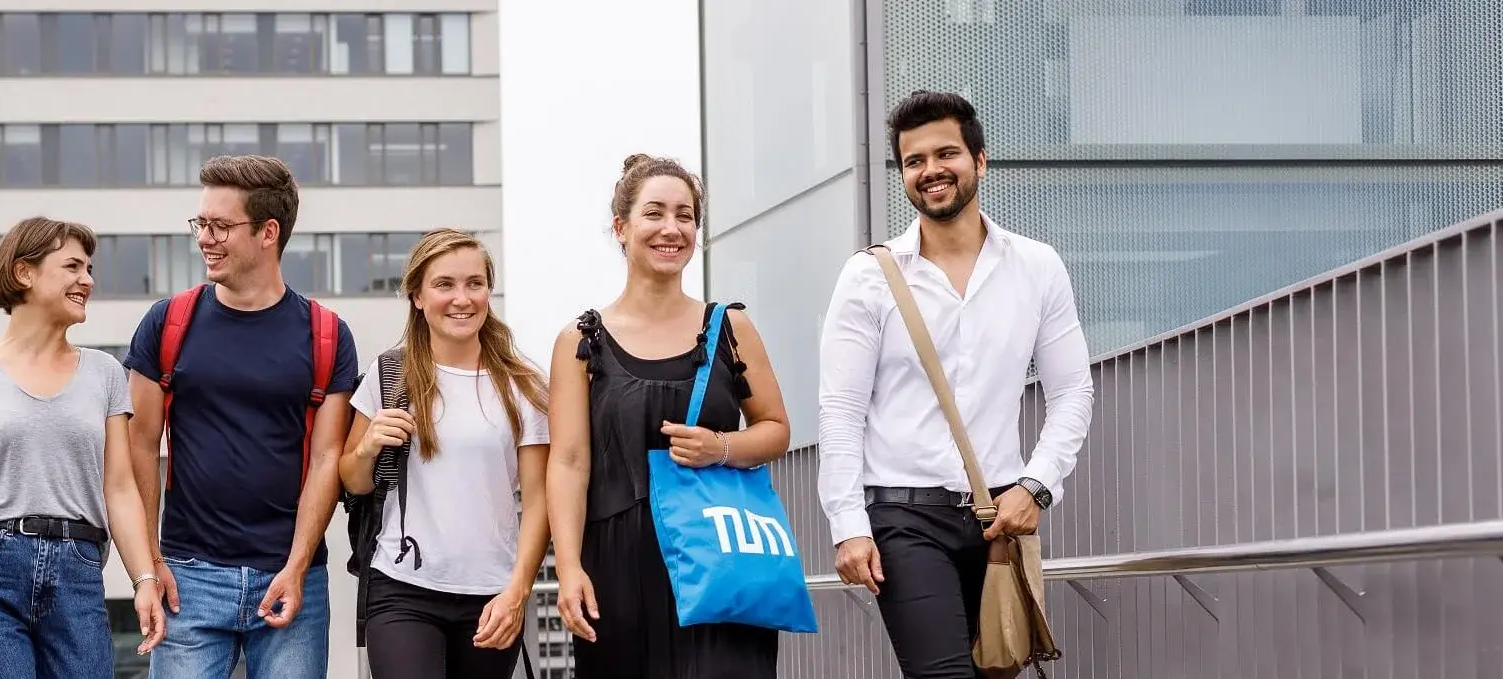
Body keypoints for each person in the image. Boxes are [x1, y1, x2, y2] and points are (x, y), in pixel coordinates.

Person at [818, 90, 1094, 679]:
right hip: (902, 515)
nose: (931, 171)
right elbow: (841, 410)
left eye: (946, 154)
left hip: (1000, 516)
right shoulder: (868, 276)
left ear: (980, 160)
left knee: (999, 670)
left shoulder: (1036, 266)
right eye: (914, 161)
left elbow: (1072, 392)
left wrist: (1037, 486)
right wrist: (848, 526)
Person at [544, 153, 793, 678]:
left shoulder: (731, 328)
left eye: (685, 216)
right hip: (617, 561)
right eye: (654, 213)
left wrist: (720, 448)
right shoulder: (580, 342)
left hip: (720, 556)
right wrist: (568, 569)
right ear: (621, 227)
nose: (671, 229)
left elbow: (775, 430)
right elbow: (567, 463)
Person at [122, 155, 360, 679]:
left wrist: (297, 568)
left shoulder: (326, 334)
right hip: (187, 579)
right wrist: (150, 564)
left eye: (220, 226)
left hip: (291, 579)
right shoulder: (168, 322)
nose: (205, 237)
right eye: (200, 223)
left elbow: (326, 460)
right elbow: (138, 444)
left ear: (268, 231)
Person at [0, 216, 169, 677]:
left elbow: (119, 489)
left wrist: (143, 577)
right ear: (24, 273)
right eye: (72, 267)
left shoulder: (104, 374)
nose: (87, 280)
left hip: (78, 571)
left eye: (89, 269)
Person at [339, 228, 552, 679]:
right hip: (402, 589)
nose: (462, 298)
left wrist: (517, 593)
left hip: (492, 594)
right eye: (445, 285)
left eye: (474, 283)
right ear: (417, 296)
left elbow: (539, 502)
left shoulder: (524, 386)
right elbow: (353, 481)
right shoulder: (390, 372)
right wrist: (368, 445)